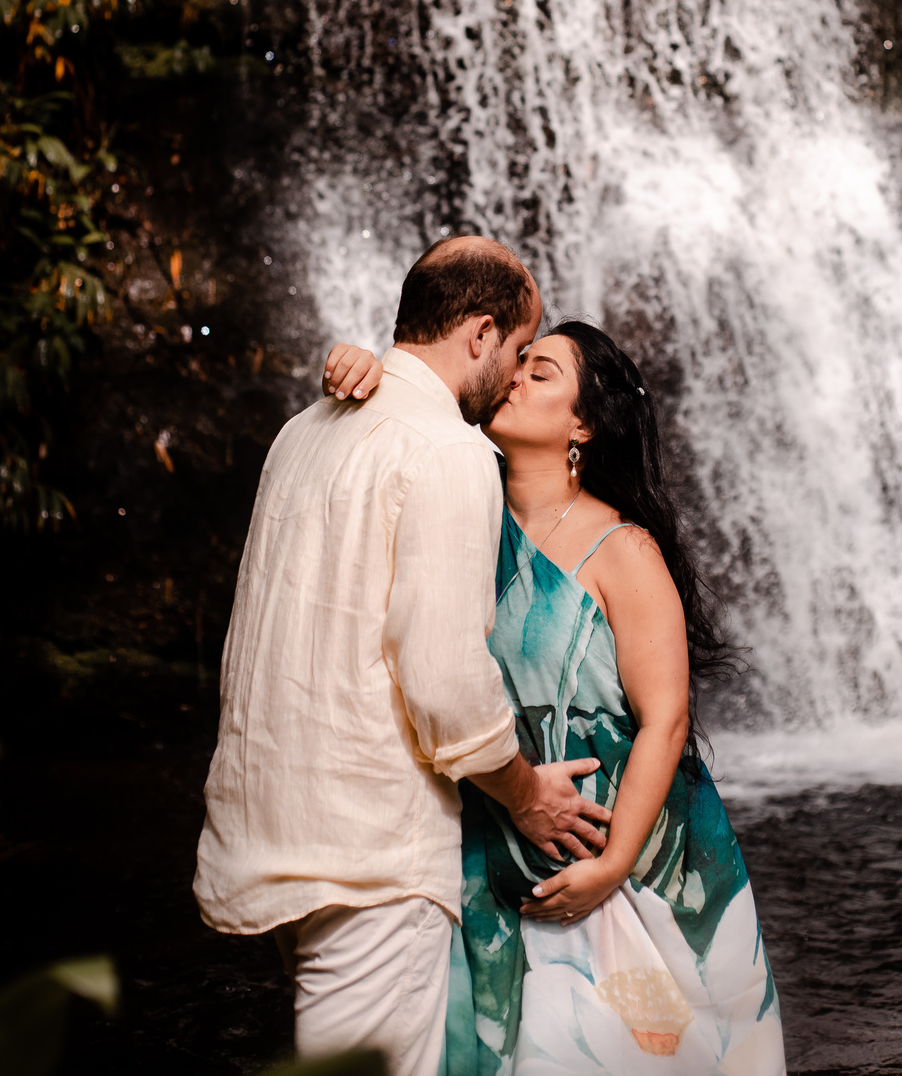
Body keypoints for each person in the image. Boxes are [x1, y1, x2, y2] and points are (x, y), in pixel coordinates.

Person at [193, 238, 611, 1076]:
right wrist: (527, 795)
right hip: (371, 852)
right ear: (482, 333)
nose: (517, 371)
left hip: (274, 830)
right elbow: (444, 682)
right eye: (521, 351)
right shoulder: (449, 453)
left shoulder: (299, 433)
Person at [333, 319, 785, 1074]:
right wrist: (361, 372)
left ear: (584, 422)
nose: (511, 375)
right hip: (498, 830)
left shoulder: (624, 549)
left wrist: (610, 867)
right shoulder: (462, 519)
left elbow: (665, 720)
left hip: (620, 846)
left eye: (539, 372)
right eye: (516, 362)